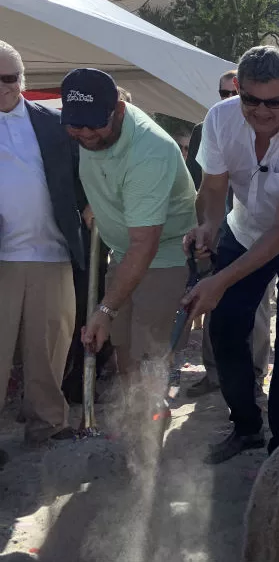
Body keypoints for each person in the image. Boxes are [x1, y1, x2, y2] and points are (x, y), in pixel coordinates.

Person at [183, 46, 279, 463]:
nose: (262, 111)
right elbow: (213, 190)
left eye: (274, 102)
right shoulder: (219, 118)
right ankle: (246, 425)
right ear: (237, 88)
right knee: (226, 328)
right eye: (251, 100)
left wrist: (218, 280)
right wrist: (208, 227)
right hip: (244, 226)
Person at [62, 68, 197, 405]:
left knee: (148, 357)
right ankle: (136, 425)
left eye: (95, 124)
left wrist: (104, 309)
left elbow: (144, 244)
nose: (86, 134)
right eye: (76, 125)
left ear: (119, 110)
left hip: (164, 258)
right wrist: (100, 201)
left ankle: (149, 441)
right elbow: (108, 170)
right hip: (124, 255)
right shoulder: (88, 130)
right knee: (124, 350)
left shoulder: (150, 151)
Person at [0, 41, 85, 444]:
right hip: (3, 257)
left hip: (53, 252)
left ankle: (48, 424)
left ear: (22, 79)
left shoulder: (53, 123)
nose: (1, 86)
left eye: (9, 78)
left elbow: (81, 172)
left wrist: (90, 208)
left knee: (49, 346)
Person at [185, 71, 273, 400]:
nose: (229, 100)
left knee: (258, 306)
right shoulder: (206, 128)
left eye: (234, 94)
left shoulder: (268, 129)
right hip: (218, 230)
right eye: (224, 93)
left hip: (257, 235)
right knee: (211, 300)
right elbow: (203, 186)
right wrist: (204, 226)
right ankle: (214, 372)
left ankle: (254, 374)